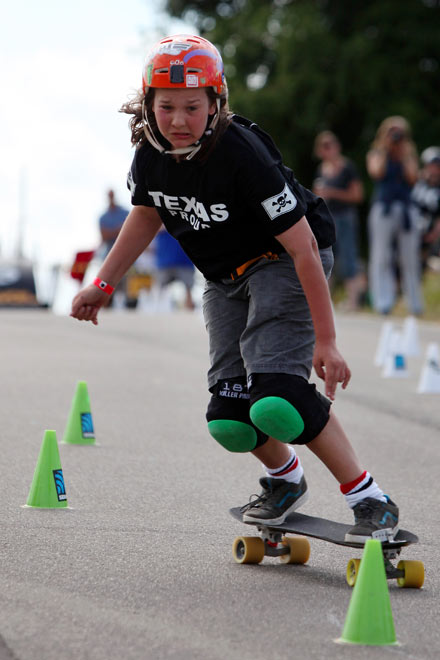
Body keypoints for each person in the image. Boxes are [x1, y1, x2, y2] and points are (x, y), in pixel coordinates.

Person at [71, 34, 399, 542]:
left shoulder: (240, 154)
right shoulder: (150, 158)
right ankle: (285, 481)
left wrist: (326, 340)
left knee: (279, 400)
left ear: (216, 104)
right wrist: (103, 283)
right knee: (231, 416)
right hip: (225, 279)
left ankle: (369, 497)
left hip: (283, 261)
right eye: (166, 107)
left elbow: (304, 250)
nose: (178, 120)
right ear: (147, 104)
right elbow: (147, 213)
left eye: (192, 107)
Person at [366, 116, 422, 315]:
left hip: (406, 208)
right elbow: (376, 172)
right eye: (392, 131)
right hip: (384, 207)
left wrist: (404, 153)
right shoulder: (377, 152)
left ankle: (415, 305)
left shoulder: (409, 154)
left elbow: (413, 178)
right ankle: (383, 303)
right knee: (381, 256)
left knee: (410, 258)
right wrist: (385, 147)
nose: (396, 136)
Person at [313, 131, 364, 311]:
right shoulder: (321, 169)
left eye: (330, 145)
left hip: (345, 217)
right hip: (328, 218)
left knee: (349, 257)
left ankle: (353, 302)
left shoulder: (347, 167)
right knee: (326, 257)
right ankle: (326, 303)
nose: (327, 150)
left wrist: (332, 192)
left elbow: (358, 195)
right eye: (323, 146)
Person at [411, 147, 440, 270]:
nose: (433, 169)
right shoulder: (416, 182)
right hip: (412, 229)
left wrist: (434, 234)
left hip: (430, 234)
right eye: (431, 165)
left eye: (436, 166)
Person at [153, 226, 196, 309]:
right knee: (159, 289)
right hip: (165, 260)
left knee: (189, 289)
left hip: (184, 260)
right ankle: (158, 309)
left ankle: (189, 310)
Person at [97, 189, 129, 259]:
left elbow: (129, 232)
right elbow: (104, 237)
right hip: (109, 253)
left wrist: (110, 232)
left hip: (126, 253)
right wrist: (119, 230)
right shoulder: (103, 217)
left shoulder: (125, 213)